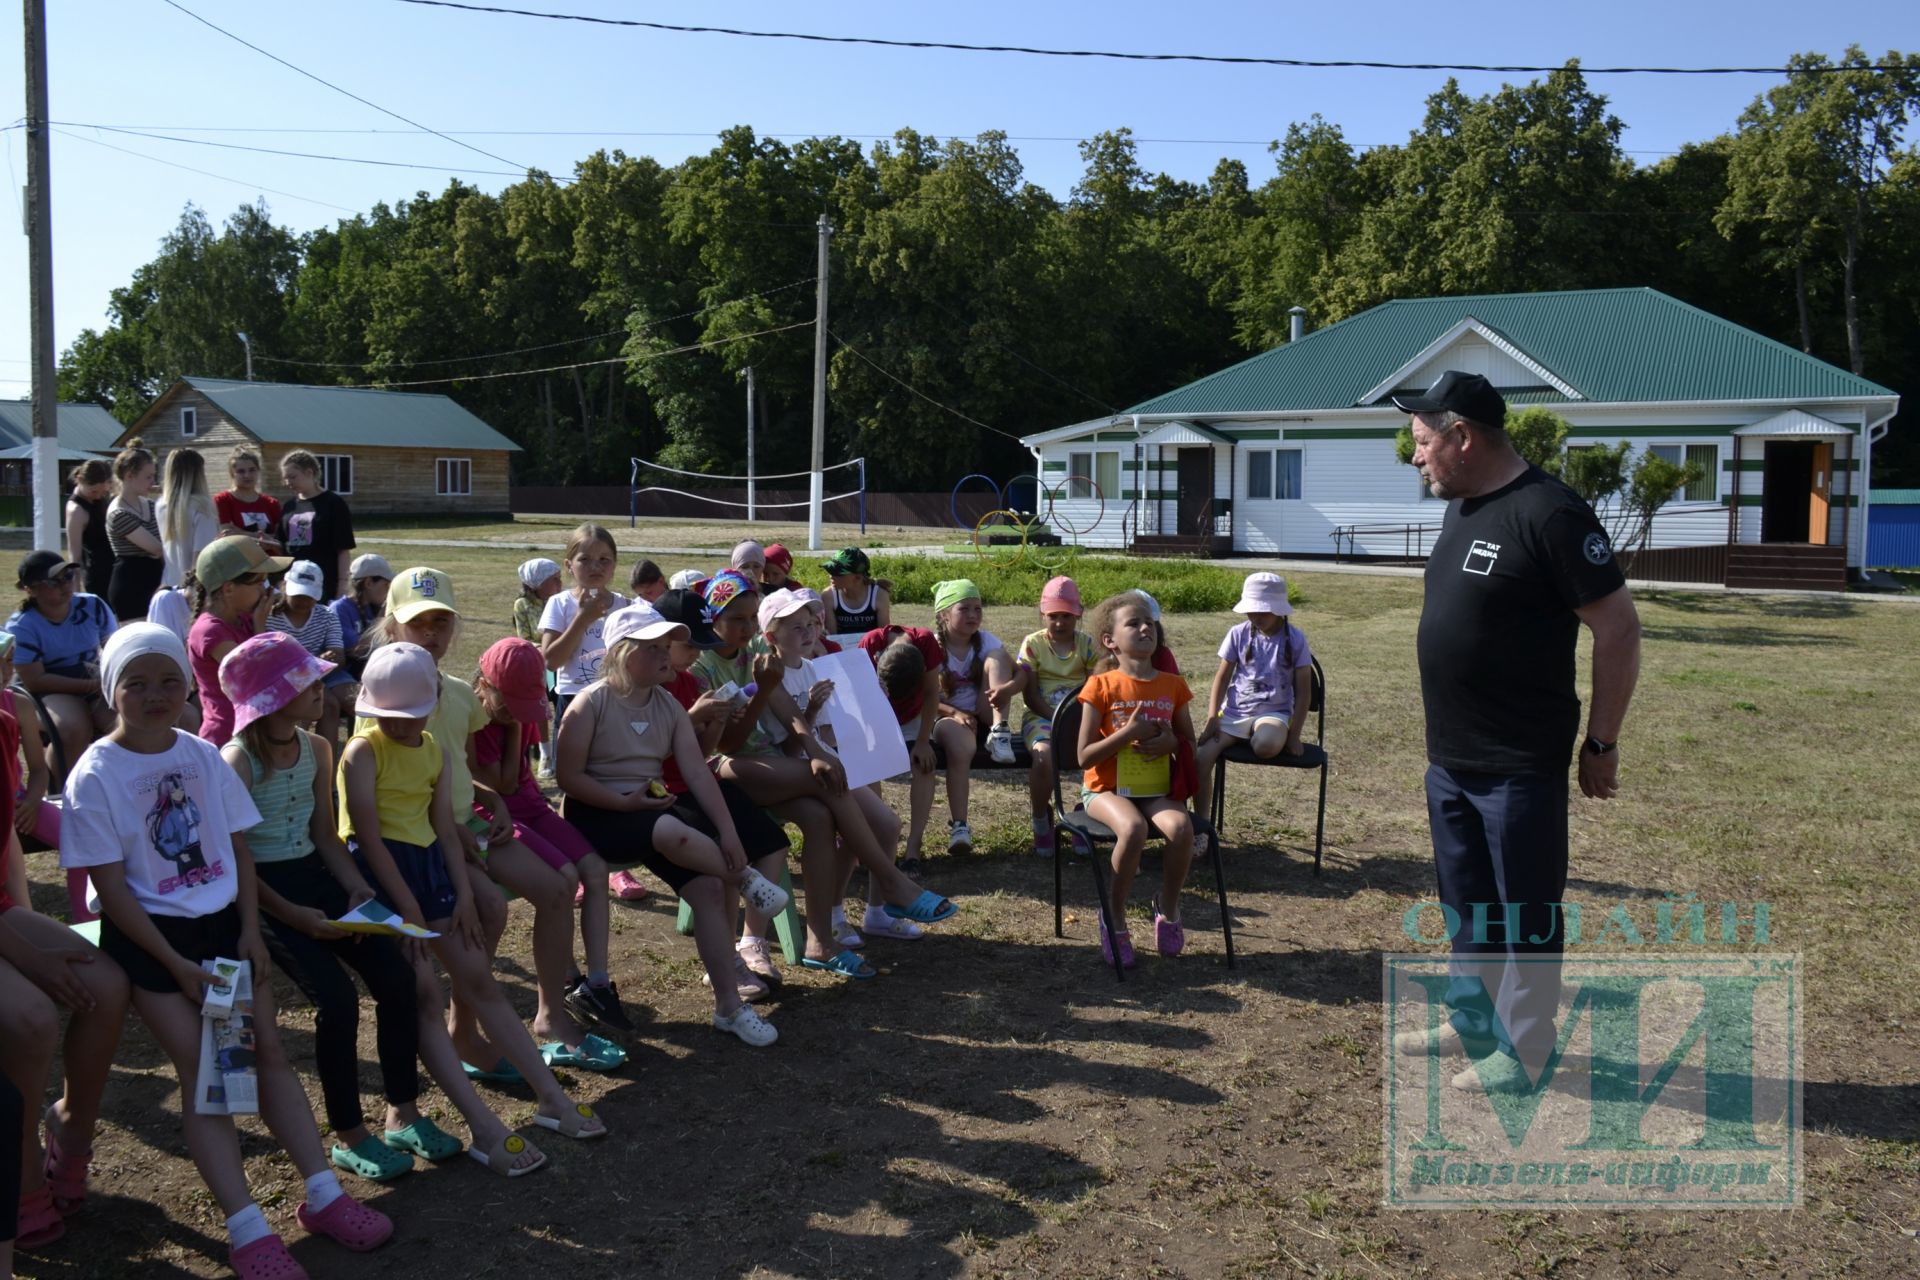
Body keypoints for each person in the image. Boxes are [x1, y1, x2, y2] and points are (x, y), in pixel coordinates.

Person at [61, 623, 395, 1276]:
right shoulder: (95, 775)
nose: (155, 694)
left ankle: (323, 1193)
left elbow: (236, 848)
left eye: (168, 681)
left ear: (188, 686)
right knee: (213, 1079)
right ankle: (248, 1231)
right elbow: (114, 895)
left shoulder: (200, 755)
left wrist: (248, 930)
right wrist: (174, 964)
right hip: (159, 946)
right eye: (136, 682)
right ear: (110, 691)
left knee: (262, 1054)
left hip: (224, 933)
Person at [1395, 370, 1641, 1093]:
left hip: (1517, 763)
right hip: (1453, 758)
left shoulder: (1550, 514)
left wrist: (1601, 741)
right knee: (1466, 899)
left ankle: (1528, 1047)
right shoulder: (1464, 505)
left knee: (1525, 910)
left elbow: (1618, 628)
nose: (1416, 456)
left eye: (1422, 441)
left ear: (1462, 437)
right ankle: (1472, 1018)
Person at [341, 641, 605, 1161]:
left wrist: (462, 892)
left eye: (411, 717)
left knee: (478, 978)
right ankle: (482, 1125)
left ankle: (550, 1098)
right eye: (388, 716)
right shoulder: (362, 752)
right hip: (383, 880)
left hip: (430, 869)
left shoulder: (434, 751)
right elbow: (368, 838)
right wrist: (409, 910)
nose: (399, 726)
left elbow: (443, 827)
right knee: (425, 997)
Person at [216, 634, 428, 1185]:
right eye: (304, 682)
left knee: (397, 980)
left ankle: (404, 1112)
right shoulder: (236, 762)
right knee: (336, 1002)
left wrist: (357, 890)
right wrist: (292, 916)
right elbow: (238, 861)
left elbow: (325, 836)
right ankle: (350, 1134)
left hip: (317, 878)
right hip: (263, 892)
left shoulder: (317, 747)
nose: (319, 689)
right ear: (269, 698)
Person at [692, 574, 949, 975]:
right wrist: (773, 705)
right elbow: (726, 745)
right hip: (726, 768)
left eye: (749, 618)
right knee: (825, 777)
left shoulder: (753, 653)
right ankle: (890, 880)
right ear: (713, 620)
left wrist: (812, 745)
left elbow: (788, 713)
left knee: (819, 815)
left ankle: (820, 940)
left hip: (773, 762)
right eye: (736, 619)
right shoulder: (705, 667)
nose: (745, 627)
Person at [556, 602, 787, 1044]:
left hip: (647, 809)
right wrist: (623, 803)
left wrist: (731, 833)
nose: (667, 654)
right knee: (670, 829)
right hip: (597, 814)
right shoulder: (589, 704)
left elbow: (698, 772)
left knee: (706, 889)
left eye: (668, 646)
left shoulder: (668, 705)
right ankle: (747, 878)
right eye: (654, 647)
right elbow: (569, 778)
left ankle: (729, 1006)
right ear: (622, 653)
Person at [0, 671, 129, 1255]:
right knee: (32, 1020)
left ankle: (71, 1130)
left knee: (104, 982)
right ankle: (21, 1176)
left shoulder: (9, 717)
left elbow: (5, 842)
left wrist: (28, 931)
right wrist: (28, 958)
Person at [470, 636, 632, 1057]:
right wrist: (508, 727)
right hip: (497, 812)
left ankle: (595, 982)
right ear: (483, 685)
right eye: (506, 704)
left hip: (531, 807)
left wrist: (518, 721)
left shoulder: (521, 708)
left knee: (594, 870)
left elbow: (528, 760)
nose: (514, 714)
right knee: (562, 879)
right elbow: (501, 784)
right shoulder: (476, 718)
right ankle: (562, 983)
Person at [1076, 593, 1198, 968]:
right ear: (1110, 641)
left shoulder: (1173, 685)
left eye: (1150, 623)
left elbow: (1189, 741)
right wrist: (1125, 735)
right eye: (1133, 623)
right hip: (1104, 789)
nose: (1146, 628)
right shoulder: (1101, 686)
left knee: (1180, 828)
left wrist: (1170, 741)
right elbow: (1083, 756)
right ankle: (1114, 916)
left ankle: (1168, 907)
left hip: (1154, 788)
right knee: (1132, 828)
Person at [1193, 573, 1313, 825]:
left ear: (1279, 610)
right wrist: (1212, 717)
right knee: (1200, 758)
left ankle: (1255, 735)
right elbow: (1222, 678)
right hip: (1235, 714)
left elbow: (1304, 691)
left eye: (1262, 611)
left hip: (1274, 713)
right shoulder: (1238, 634)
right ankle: (1202, 825)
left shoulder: (1297, 639)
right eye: (1250, 611)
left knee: (1265, 746)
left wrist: (1294, 735)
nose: (1254, 617)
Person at [861, 622, 971, 879]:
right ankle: (877, 842)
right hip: (877, 713)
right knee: (866, 767)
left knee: (925, 764)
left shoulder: (925, 642)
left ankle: (914, 847)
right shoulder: (870, 644)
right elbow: (861, 696)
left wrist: (923, 741)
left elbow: (933, 693)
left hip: (914, 717)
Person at [6, 551, 117, 781]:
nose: (65, 584)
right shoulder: (22, 625)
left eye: (68, 576)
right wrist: (94, 686)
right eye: (53, 581)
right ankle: (61, 789)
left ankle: (114, 783)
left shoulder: (92, 605)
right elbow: (35, 680)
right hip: (44, 689)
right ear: (31, 589)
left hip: (92, 679)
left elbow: (115, 646)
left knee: (127, 719)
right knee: (73, 727)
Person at [1015, 576, 1098, 857]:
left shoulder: (1087, 646)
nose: (1060, 623)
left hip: (1082, 716)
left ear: (1078, 614)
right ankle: (1041, 817)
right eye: (1053, 616)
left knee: (1103, 752)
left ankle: (1086, 813)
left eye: (1066, 616)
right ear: (1043, 614)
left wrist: (1078, 718)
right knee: (1043, 756)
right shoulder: (1033, 644)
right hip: (1041, 716)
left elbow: (1095, 688)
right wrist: (1057, 716)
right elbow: (1031, 695)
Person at [931, 578, 1020, 832]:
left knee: (998, 657)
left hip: (983, 716)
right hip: (946, 719)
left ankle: (1000, 731)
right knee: (961, 748)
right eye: (964, 609)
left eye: (977, 608)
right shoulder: (932, 646)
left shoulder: (986, 640)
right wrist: (955, 712)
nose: (973, 615)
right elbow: (924, 698)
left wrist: (1009, 688)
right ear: (944, 614)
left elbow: (1021, 673)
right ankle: (960, 825)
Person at [189, 537, 289, 748]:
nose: (265, 590)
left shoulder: (243, 619)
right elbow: (255, 680)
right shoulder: (210, 632)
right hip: (227, 739)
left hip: (252, 735)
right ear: (229, 589)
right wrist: (260, 629)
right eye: (259, 582)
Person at [0, 634, 75, 915]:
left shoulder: (19, 704)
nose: (6, 672)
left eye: (9, 662)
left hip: (19, 804)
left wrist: (32, 801)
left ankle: (87, 920)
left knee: (76, 837)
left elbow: (39, 769)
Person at [265, 561, 355, 746]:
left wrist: (326, 660)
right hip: (286, 675)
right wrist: (314, 664)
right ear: (285, 588)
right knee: (324, 704)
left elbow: (338, 654)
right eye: (298, 594)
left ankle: (330, 759)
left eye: (309, 596)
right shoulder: (269, 616)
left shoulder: (327, 615)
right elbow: (270, 657)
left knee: (357, 698)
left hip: (324, 673)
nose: (303, 601)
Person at [278, 450, 355, 603]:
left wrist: (342, 586)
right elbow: (282, 545)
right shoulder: (289, 506)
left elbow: (343, 549)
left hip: (324, 584)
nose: (288, 482)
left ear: (309, 473)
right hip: (294, 584)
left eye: (292, 477)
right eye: (285, 478)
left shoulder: (333, 503)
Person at [512, 557, 563, 775]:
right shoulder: (521, 605)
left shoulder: (561, 601)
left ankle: (562, 752)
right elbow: (523, 637)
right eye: (554, 580)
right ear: (537, 583)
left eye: (560, 579)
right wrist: (541, 648)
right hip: (538, 663)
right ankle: (545, 754)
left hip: (561, 661)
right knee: (541, 708)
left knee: (563, 706)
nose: (560, 584)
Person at [104, 441, 165, 623]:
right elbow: (156, 548)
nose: (153, 482)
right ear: (130, 476)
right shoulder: (118, 513)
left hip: (155, 582)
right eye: (148, 477)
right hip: (132, 587)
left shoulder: (151, 505)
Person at [157, 447, 221, 592]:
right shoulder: (202, 507)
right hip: (194, 590)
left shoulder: (161, 505)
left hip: (168, 585)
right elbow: (202, 558)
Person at [328, 553, 390, 680]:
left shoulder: (371, 607)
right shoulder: (339, 609)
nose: (388, 591)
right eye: (386, 585)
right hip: (345, 675)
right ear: (368, 583)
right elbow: (357, 650)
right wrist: (381, 618)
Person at [213, 449, 284, 551]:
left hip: (272, 562)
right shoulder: (222, 500)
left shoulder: (271, 503)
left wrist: (242, 534)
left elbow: (280, 537)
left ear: (258, 470)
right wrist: (264, 537)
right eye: (241, 471)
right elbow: (227, 533)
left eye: (252, 470)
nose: (247, 475)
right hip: (239, 561)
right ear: (232, 474)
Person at [63, 460, 114, 600]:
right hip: (98, 576)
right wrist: (75, 594)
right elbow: (74, 556)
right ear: (79, 480)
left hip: (115, 569)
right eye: (94, 491)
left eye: (103, 491)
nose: (98, 496)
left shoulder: (101, 499)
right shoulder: (76, 510)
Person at [821, 547, 890, 640]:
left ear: (857, 578)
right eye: (830, 571)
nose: (831, 576)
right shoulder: (828, 596)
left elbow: (883, 636)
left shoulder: (879, 595)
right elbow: (832, 637)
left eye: (837, 573)